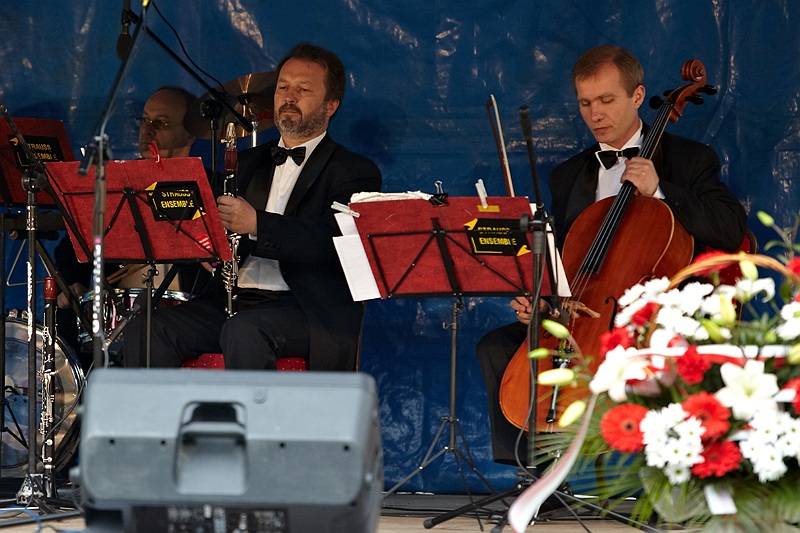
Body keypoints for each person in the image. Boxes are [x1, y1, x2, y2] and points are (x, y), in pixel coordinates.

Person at [476, 45, 747, 466]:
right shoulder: (569, 175)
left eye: (606, 100)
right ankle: (537, 479)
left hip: (655, 319)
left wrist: (660, 190)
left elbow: (730, 229)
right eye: (585, 103)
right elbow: (564, 259)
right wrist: (543, 301)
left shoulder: (689, 160)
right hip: (584, 312)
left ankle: (669, 474)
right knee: (498, 346)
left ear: (637, 96)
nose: (595, 114)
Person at [121, 42, 382, 371]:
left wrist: (257, 224)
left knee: (245, 331)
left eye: (303, 89)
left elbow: (331, 242)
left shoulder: (354, 171)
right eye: (283, 87)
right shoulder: (246, 162)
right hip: (233, 301)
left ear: (331, 105)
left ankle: (248, 410)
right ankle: (163, 409)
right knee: (148, 329)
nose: (289, 97)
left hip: (306, 309)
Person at [54, 86, 210, 366]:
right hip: (118, 309)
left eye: (161, 123)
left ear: (190, 134)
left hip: (186, 310)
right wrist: (72, 282)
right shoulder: (117, 182)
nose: (148, 131)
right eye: (145, 120)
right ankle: (78, 392)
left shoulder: (211, 186)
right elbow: (74, 243)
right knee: (64, 312)